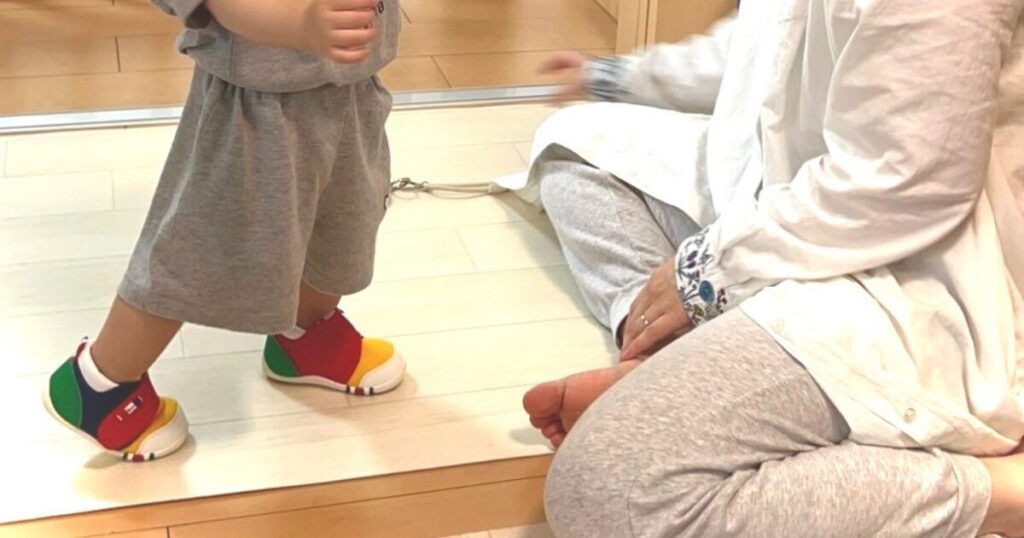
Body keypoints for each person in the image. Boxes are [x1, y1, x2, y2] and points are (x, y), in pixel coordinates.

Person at [520, 1, 1024, 536]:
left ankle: (1001, 492)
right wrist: (616, 77)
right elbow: (757, 48)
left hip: (914, 263)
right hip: (796, 198)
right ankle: (661, 349)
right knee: (574, 141)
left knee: (606, 491)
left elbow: (906, 184)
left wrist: (705, 270)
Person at [42, 0, 406, 463]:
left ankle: (306, 334)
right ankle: (99, 383)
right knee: (200, 252)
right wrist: (298, 22)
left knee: (341, 222)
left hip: (352, 81)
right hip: (256, 105)